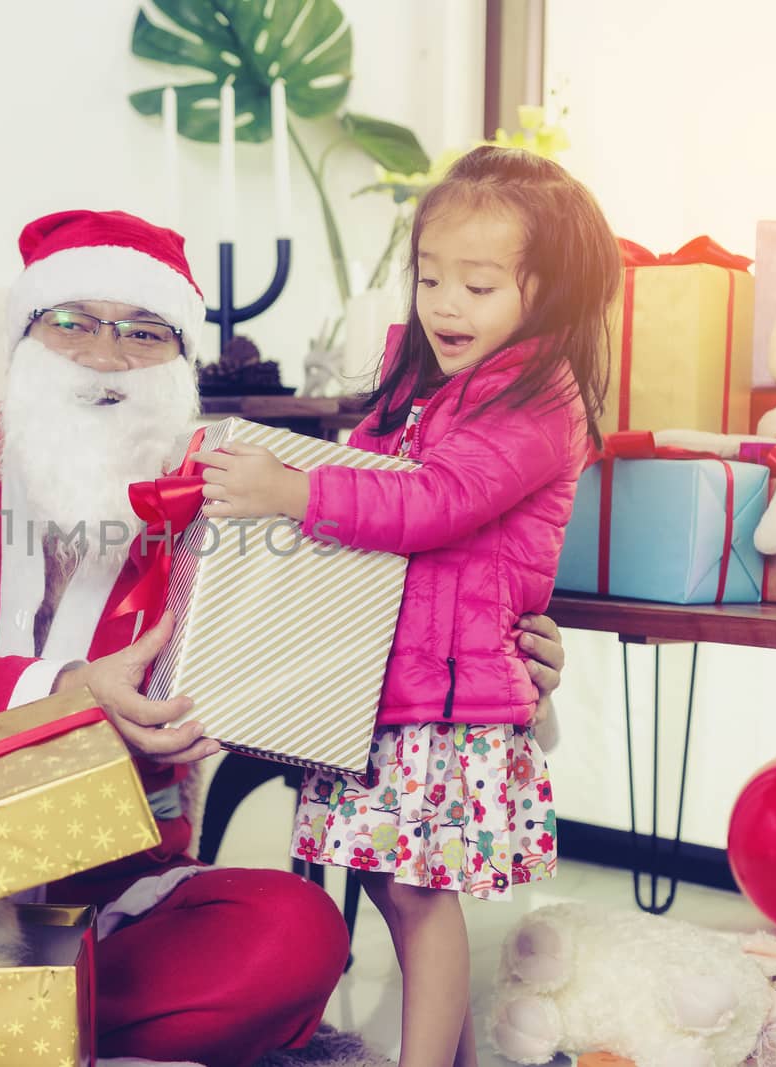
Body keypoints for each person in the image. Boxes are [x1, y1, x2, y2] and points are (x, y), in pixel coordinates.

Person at [0, 207, 571, 1065]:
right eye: (74, 323)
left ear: (180, 361)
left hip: (110, 879)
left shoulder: (217, 493)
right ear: (27, 335)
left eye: (143, 332)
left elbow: (332, 634)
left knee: (294, 933)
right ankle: (6, 1017)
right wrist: (62, 688)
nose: (104, 354)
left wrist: (503, 654)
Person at [197, 146, 619, 1067]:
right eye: (430, 277)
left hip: (449, 699)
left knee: (420, 895)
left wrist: (295, 492)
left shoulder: (537, 396)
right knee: (397, 888)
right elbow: (373, 488)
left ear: (546, 295)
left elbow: (430, 506)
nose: (444, 304)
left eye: (477, 284)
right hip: (392, 685)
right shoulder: (423, 383)